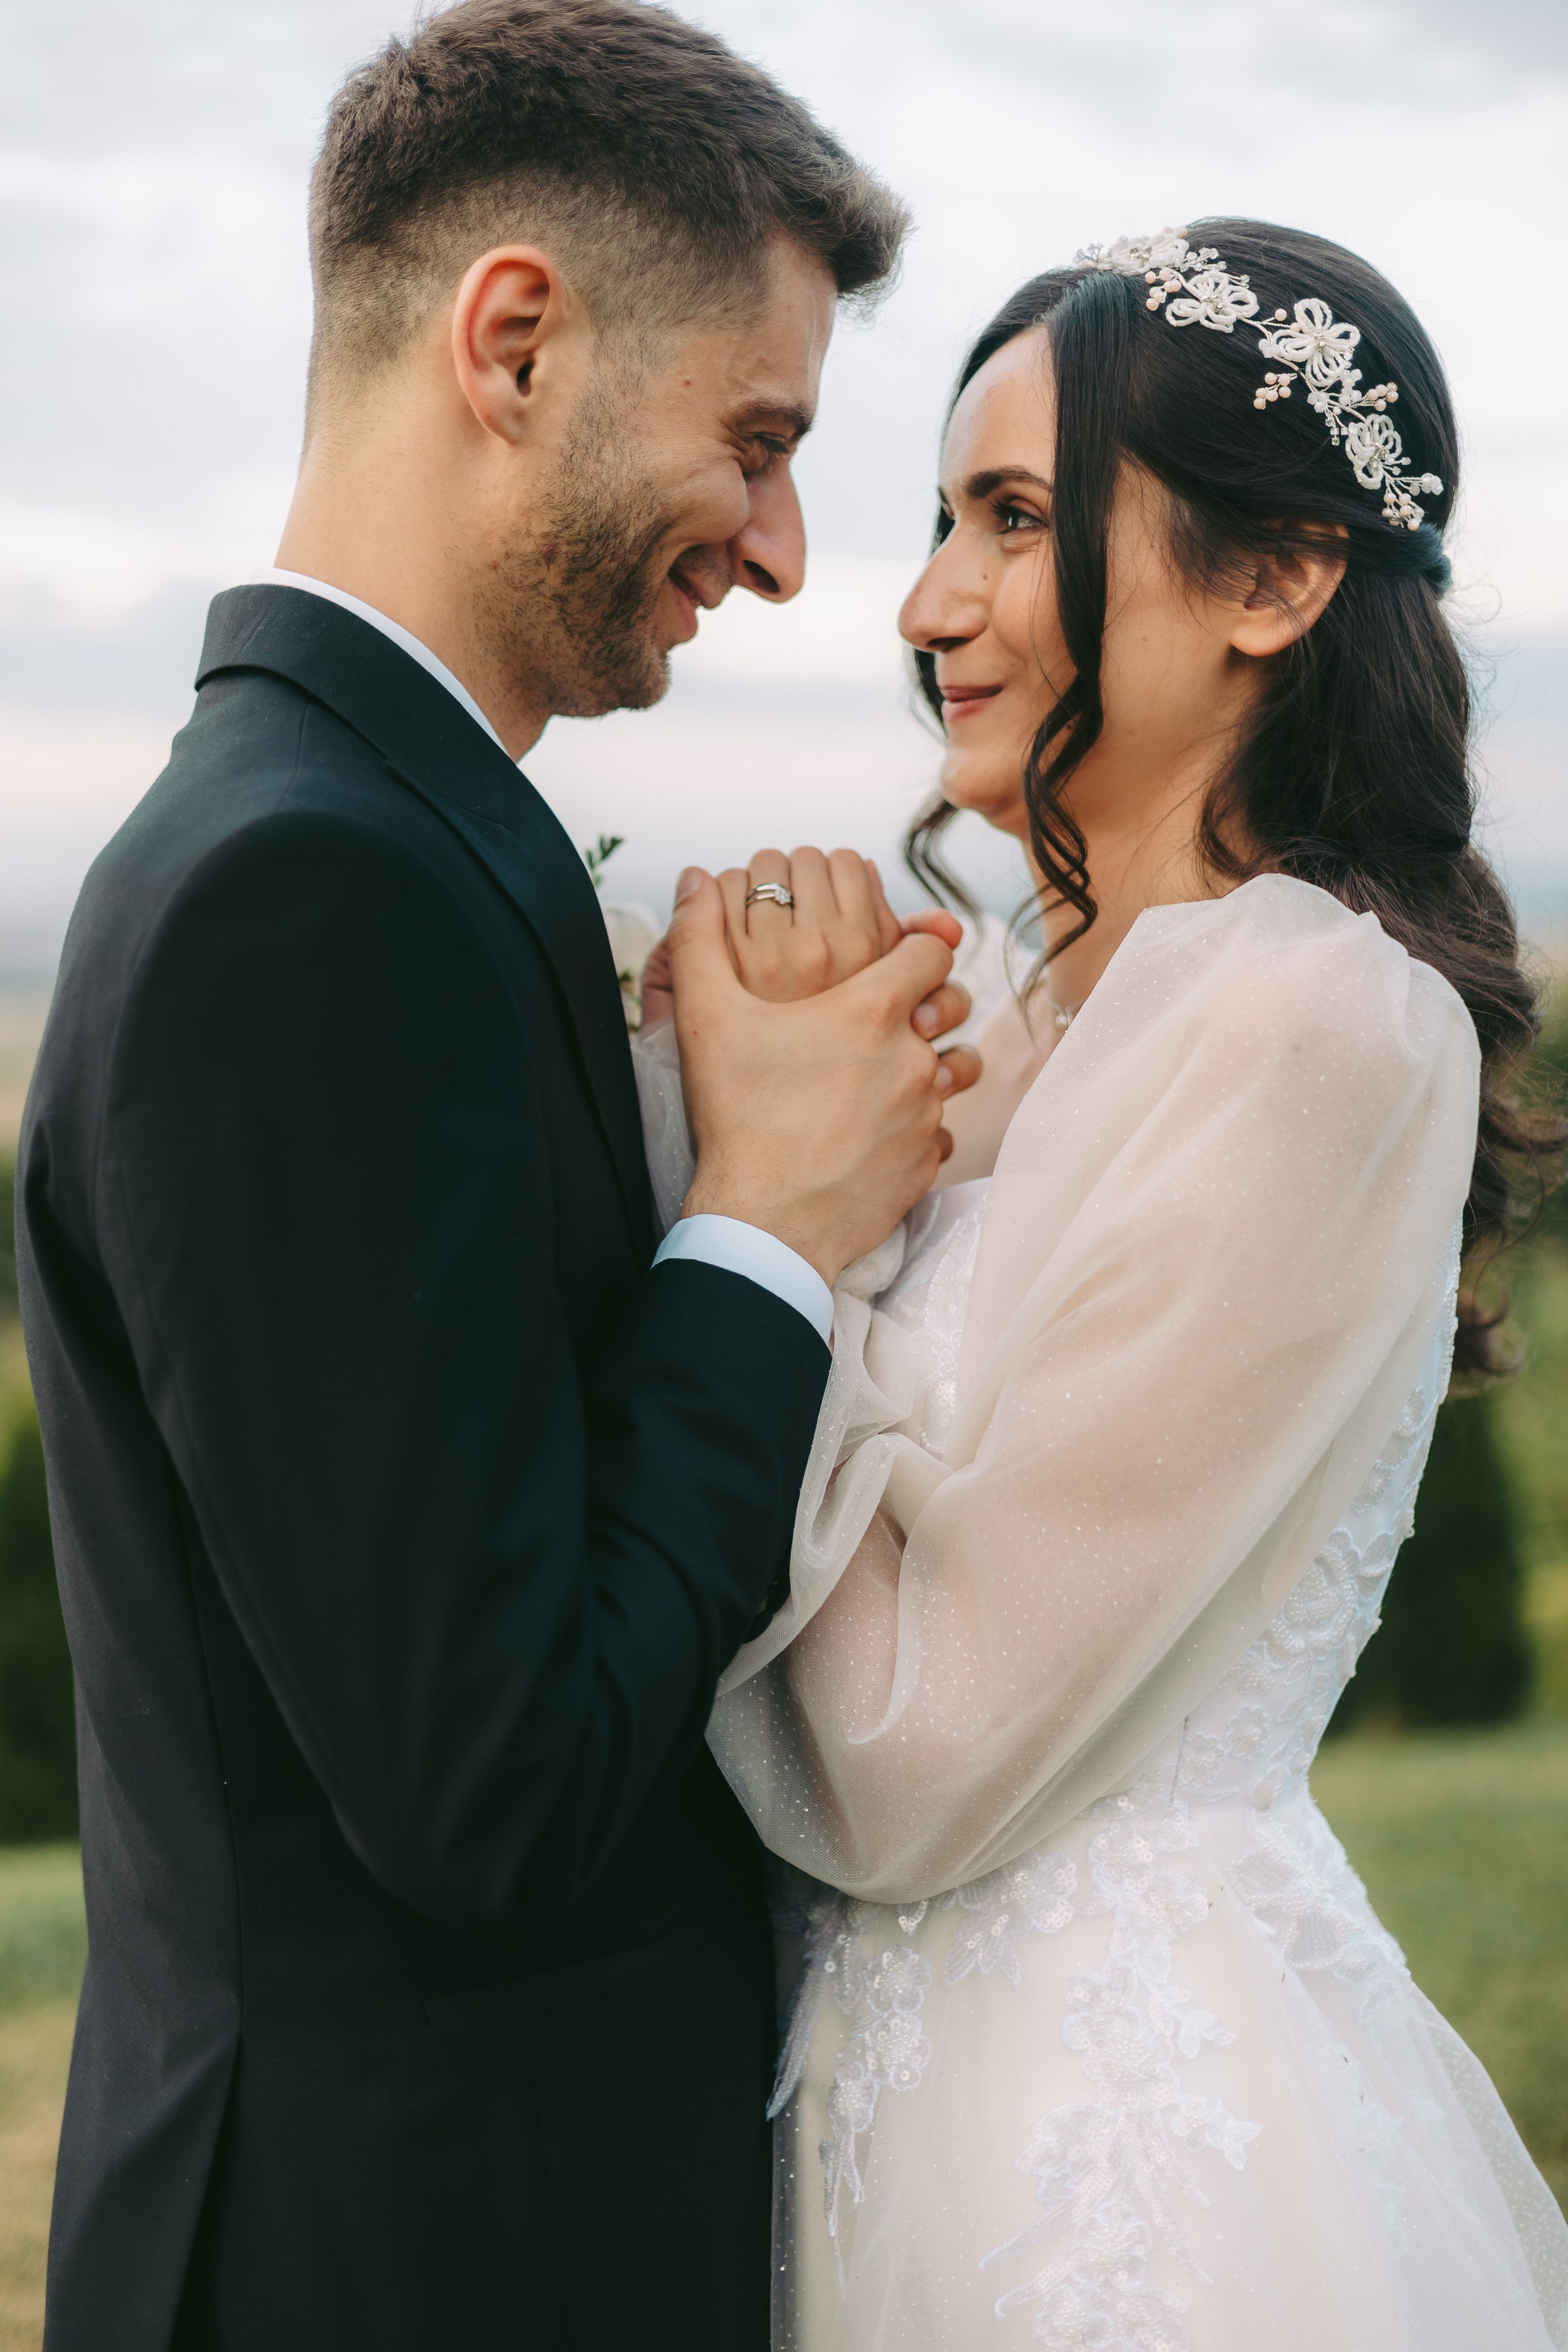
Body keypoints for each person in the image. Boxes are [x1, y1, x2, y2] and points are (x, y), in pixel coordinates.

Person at [14, 7, 982, 2348]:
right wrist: (764, 1226)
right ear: (517, 340)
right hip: (412, 2260)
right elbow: (497, 1786)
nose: (779, 550)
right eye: (757, 440)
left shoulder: (382, 843)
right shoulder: (300, 900)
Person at [643, 222, 1568, 2348]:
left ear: (1276, 577)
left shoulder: (1315, 1028)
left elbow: (910, 1750)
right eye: (943, 518)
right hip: (869, 2120)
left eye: (1018, 519)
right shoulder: (994, 1014)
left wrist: (787, 1220)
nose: (930, 604)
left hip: (1121, 2175)